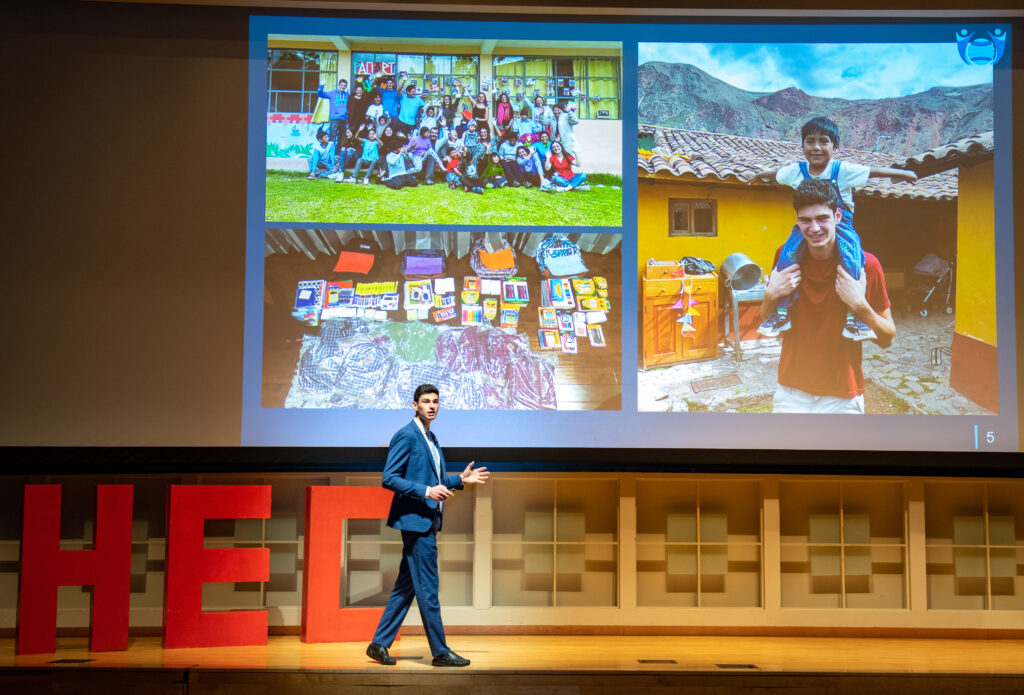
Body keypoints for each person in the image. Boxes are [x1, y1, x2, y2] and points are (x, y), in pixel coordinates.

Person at [752, 116, 917, 341]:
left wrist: (903, 174)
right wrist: (759, 175)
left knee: (852, 259)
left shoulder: (842, 170)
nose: (816, 147)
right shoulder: (796, 171)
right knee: (787, 257)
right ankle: (781, 314)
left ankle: (854, 318)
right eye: (810, 141)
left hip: (843, 226)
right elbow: (777, 173)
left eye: (824, 141)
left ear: (835, 147)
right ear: (802, 146)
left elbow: (873, 171)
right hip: (804, 230)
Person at [366, 384, 489, 668]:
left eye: (435, 401)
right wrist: (425, 491)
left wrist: (459, 480)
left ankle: (378, 644)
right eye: (425, 401)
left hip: (427, 520)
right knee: (428, 590)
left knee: (405, 587)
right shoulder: (406, 435)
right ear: (414, 405)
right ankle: (440, 651)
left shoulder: (431, 437)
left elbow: (436, 481)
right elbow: (389, 478)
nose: (431, 406)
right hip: (416, 522)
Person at [759, 179, 894, 414]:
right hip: (791, 392)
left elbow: (887, 339)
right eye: (805, 220)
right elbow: (764, 323)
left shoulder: (866, 266)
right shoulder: (785, 258)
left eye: (822, 218)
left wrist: (859, 306)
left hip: (843, 397)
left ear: (838, 216)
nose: (814, 228)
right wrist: (771, 295)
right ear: (797, 222)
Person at [316, 78, 348, 158]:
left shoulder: (347, 95)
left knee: (342, 138)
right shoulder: (333, 93)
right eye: (341, 85)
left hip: (344, 119)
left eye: (344, 86)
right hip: (334, 118)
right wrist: (321, 85)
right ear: (339, 85)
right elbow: (320, 94)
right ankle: (331, 155)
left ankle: (338, 155)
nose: (343, 87)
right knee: (333, 137)